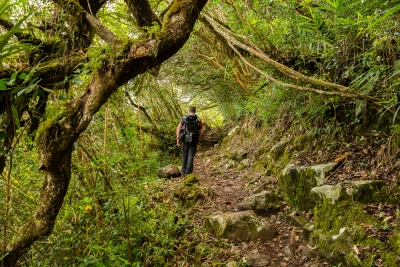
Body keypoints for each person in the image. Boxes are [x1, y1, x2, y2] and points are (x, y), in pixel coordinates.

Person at [176, 106, 204, 177]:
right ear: (195, 111)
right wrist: (199, 138)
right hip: (194, 138)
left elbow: (178, 128)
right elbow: (201, 130)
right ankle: (188, 173)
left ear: (189, 110)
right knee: (191, 155)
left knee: (184, 155)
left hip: (185, 138)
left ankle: (183, 171)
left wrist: (178, 138)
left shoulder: (184, 118)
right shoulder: (198, 119)